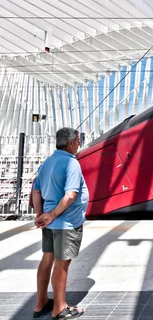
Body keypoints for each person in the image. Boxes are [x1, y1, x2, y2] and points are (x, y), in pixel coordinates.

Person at [31, 127, 88, 319]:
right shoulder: (72, 164)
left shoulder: (47, 163)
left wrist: (41, 214)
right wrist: (53, 215)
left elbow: (36, 190)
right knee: (62, 265)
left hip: (49, 222)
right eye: (78, 140)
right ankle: (60, 308)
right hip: (66, 223)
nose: (79, 144)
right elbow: (71, 194)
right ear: (71, 143)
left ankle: (41, 304)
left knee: (47, 260)